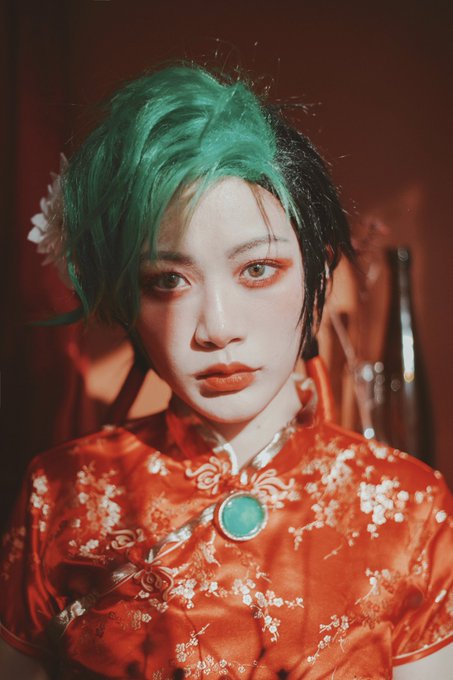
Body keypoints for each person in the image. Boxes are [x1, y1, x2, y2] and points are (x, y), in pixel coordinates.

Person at [0, 63, 451, 680]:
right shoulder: (63, 492)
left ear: (317, 271)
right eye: (167, 280)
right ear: (128, 301)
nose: (215, 327)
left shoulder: (410, 506)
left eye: (257, 269)